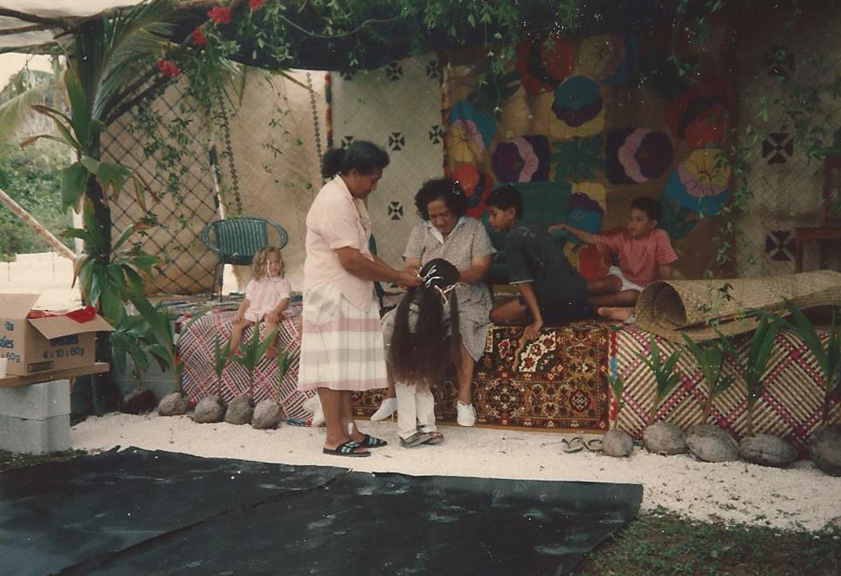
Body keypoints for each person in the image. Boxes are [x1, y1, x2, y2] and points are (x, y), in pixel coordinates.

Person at [297, 140, 421, 458]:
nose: (375, 186)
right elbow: (351, 260)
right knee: (331, 368)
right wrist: (396, 276)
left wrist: (396, 274)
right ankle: (334, 437)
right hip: (330, 293)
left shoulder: (351, 198)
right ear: (353, 173)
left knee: (344, 368)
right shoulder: (333, 202)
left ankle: (351, 430)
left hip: (349, 292)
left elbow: (365, 253)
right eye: (373, 179)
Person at [371, 178, 495, 427]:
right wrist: (415, 275)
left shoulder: (474, 229)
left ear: (456, 208)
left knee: (464, 328)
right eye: (433, 216)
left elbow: (480, 268)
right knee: (390, 325)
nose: (438, 221)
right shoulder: (420, 231)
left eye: (444, 215)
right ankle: (392, 395)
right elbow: (411, 264)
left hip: (465, 294)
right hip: (427, 294)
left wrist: (451, 277)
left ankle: (464, 400)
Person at [486, 184, 590, 340]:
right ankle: (567, 312)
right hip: (577, 289)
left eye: (494, 214)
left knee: (496, 315)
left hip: (554, 298)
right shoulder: (536, 228)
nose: (490, 220)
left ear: (511, 212)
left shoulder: (513, 238)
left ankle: (546, 316)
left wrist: (537, 320)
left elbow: (523, 282)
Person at [550, 196, 677, 322]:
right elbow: (591, 239)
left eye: (639, 220)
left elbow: (665, 269)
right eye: (631, 219)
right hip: (622, 277)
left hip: (644, 287)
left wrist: (665, 295)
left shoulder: (659, 236)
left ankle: (582, 304)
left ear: (652, 224)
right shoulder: (622, 238)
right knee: (597, 285)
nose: (632, 224)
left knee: (630, 296)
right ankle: (557, 297)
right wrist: (567, 227)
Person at [383, 258, 460, 448]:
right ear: (438, 287)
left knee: (423, 385)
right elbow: (403, 338)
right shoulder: (413, 309)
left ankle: (427, 427)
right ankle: (407, 432)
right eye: (449, 288)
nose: (451, 293)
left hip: (420, 348)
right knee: (407, 387)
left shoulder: (438, 304)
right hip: (399, 346)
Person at [229, 245, 292, 358]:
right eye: (268, 263)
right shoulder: (255, 282)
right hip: (257, 310)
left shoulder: (282, 281)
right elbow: (247, 300)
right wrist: (240, 313)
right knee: (238, 325)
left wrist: (276, 311)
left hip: (274, 309)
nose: (274, 266)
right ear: (259, 265)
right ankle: (231, 349)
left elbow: (285, 300)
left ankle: (269, 347)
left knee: (271, 322)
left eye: (276, 262)